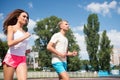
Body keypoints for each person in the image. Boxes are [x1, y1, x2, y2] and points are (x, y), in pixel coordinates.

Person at [2, 9, 31, 80]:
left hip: (22, 58)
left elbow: (20, 46)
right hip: (11, 57)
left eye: (27, 17)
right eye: (24, 16)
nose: (26, 18)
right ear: (18, 17)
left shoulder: (25, 32)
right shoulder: (11, 27)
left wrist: (26, 51)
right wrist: (24, 37)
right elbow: (10, 43)